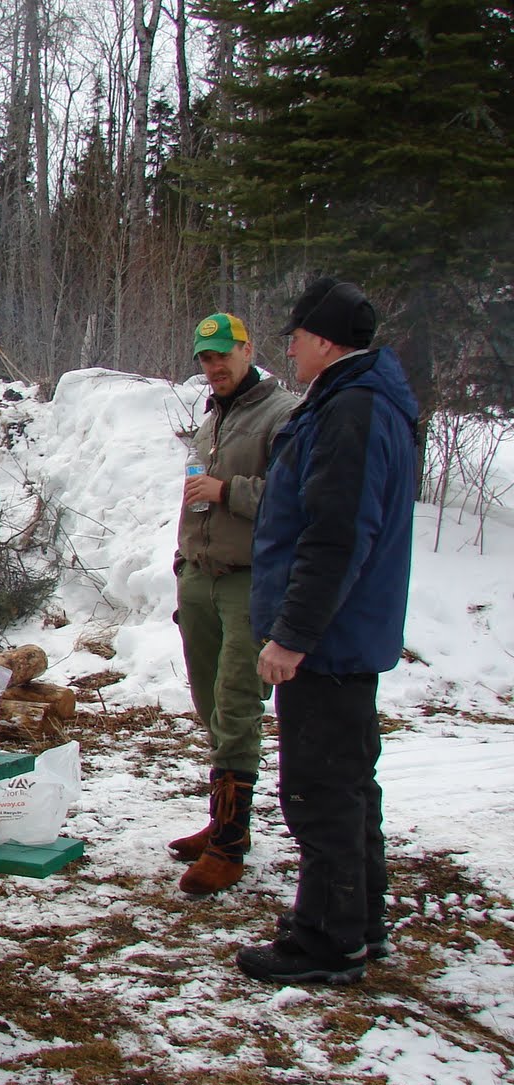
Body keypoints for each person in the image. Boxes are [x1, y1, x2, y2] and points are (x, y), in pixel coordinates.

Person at [238, 278, 418, 986]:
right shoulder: (362, 402)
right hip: (343, 634)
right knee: (347, 783)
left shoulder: (353, 411)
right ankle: (355, 921)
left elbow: (336, 537)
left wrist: (292, 636)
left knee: (320, 788)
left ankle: (327, 940)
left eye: (296, 336)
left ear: (321, 341)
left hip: (330, 640)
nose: (290, 348)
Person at [168, 313, 300, 897]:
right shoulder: (213, 417)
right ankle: (223, 820)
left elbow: (296, 498)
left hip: (249, 581)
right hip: (200, 574)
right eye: (204, 358)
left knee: (238, 704)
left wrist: (229, 492)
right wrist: (182, 561)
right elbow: (193, 496)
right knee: (209, 704)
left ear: (248, 351)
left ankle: (230, 843)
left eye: (223, 355)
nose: (213, 366)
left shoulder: (284, 414)